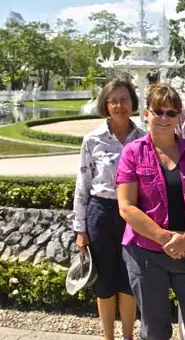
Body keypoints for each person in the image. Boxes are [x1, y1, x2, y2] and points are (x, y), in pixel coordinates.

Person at [116, 83, 185, 340]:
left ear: (180, 116)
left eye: (171, 112)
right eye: (159, 111)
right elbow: (126, 206)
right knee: (155, 330)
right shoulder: (133, 153)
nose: (165, 118)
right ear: (147, 113)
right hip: (145, 252)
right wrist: (165, 238)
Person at [72, 78, 144, 340]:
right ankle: (108, 337)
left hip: (134, 215)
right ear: (105, 104)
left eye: (124, 99)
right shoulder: (92, 140)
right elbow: (83, 184)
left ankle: (127, 336)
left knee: (129, 279)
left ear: (132, 102)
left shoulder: (144, 139)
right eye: (113, 100)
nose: (119, 105)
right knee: (104, 281)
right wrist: (80, 228)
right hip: (100, 213)